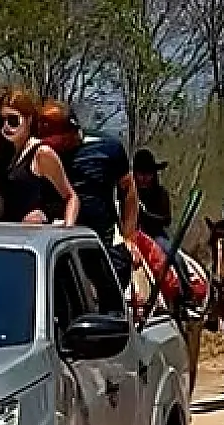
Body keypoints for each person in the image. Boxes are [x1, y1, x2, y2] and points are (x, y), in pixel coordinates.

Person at [37, 98, 141, 287]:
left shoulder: (108, 148)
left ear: (70, 130)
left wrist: (129, 237)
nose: (48, 142)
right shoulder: (42, 153)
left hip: (101, 240)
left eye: (53, 136)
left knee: (114, 280)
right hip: (57, 243)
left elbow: (128, 190)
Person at [0, 87, 80, 227]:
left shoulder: (42, 153)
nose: (6, 126)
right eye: (1, 121)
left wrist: (67, 228)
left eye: (13, 120)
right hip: (5, 232)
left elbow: (71, 197)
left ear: (28, 119)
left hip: (33, 236)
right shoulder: (6, 156)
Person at [133, 148, 193, 304]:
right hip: (131, 235)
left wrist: (145, 215)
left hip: (155, 235)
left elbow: (166, 219)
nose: (144, 178)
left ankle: (187, 293)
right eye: (141, 174)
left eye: (148, 174)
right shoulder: (128, 194)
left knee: (175, 256)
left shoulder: (160, 193)